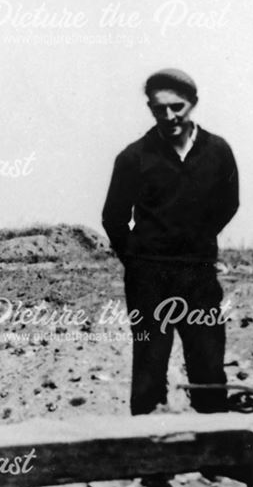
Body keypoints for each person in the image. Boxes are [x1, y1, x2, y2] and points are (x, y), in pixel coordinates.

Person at [102, 68, 239, 418]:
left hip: (199, 276)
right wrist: (139, 260)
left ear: (193, 103)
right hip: (150, 282)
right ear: (149, 108)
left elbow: (229, 203)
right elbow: (113, 218)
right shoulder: (134, 157)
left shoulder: (218, 151)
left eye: (177, 107)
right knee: (149, 366)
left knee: (208, 363)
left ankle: (214, 459)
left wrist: (198, 240)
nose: (169, 116)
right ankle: (152, 467)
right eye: (158, 109)